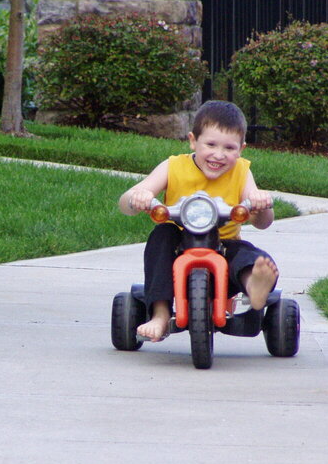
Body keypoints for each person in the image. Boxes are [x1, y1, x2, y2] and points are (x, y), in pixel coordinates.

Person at [118, 100, 278, 341]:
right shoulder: (173, 166)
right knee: (161, 235)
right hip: (178, 245)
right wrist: (137, 198)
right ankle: (160, 314)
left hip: (224, 245)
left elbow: (263, 223)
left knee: (247, 254)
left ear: (242, 148)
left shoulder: (242, 172)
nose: (219, 154)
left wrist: (260, 204)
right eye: (211, 144)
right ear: (193, 141)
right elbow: (126, 202)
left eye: (229, 148)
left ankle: (253, 285)